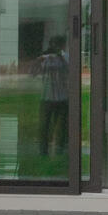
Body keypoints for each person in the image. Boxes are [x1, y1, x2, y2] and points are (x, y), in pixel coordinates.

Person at [34, 33, 72, 165]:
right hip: (47, 96)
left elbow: (70, 70)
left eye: (58, 44)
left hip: (62, 97)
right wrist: (39, 60)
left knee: (61, 126)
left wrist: (59, 57)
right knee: (44, 126)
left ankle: (60, 149)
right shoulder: (44, 59)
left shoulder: (66, 57)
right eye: (53, 44)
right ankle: (43, 151)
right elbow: (33, 73)